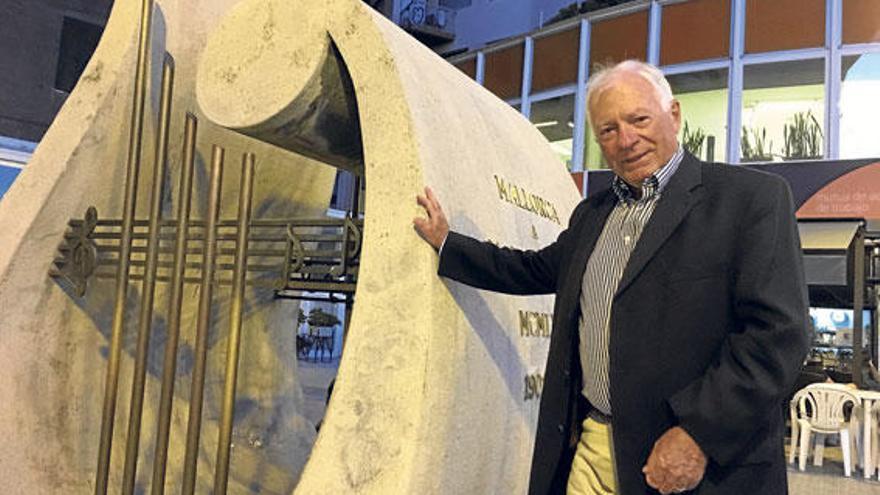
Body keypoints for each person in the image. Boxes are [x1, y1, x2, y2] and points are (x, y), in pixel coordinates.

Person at [413, 60, 810, 495]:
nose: (626, 140)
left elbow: (777, 337)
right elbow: (531, 269)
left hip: (693, 456)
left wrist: (698, 433)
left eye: (639, 119)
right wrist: (448, 243)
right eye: (608, 130)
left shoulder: (752, 199)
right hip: (595, 444)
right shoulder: (592, 215)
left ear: (673, 115)